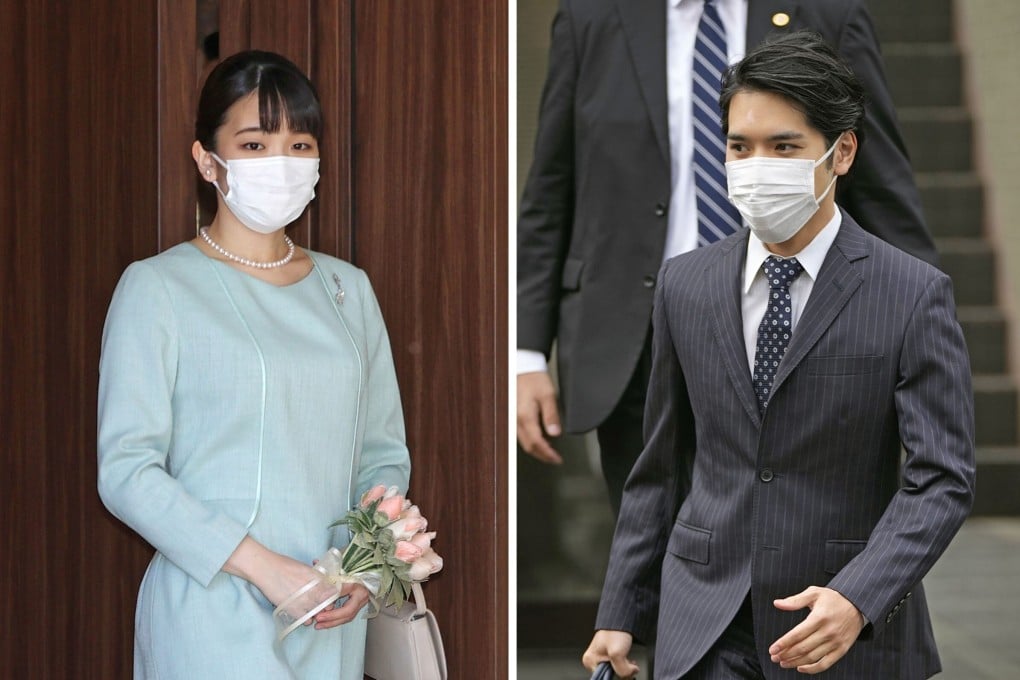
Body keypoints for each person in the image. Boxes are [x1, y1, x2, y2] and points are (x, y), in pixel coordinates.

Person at [581, 32, 975, 679]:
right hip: (702, 627)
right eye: (741, 147)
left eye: (784, 146)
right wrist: (620, 611)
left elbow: (943, 478)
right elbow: (659, 471)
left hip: (842, 627)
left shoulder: (912, 293)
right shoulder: (684, 284)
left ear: (841, 152)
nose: (756, 165)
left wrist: (860, 596)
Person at [517, 0, 940, 517]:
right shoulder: (594, 15)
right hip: (635, 338)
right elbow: (552, 185)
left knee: (789, 533)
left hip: (793, 318)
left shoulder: (831, 13)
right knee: (649, 542)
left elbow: (881, 186)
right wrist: (527, 353)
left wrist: (921, 338)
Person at [97, 50, 411, 679]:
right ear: (205, 160)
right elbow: (126, 470)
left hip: (327, 613)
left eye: (299, 145)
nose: (281, 163)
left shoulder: (348, 289)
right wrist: (261, 566)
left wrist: (367, 571)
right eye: (254, 143)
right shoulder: (157, 287)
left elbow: (381, 456)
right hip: (208, 607)